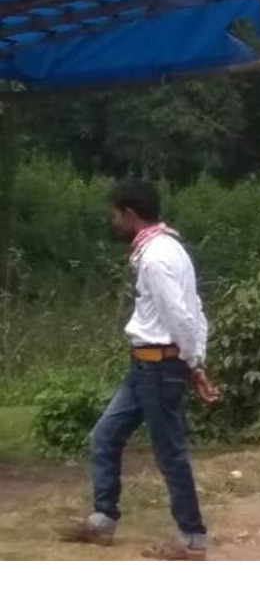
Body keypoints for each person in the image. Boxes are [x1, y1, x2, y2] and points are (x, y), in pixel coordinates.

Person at [59, 178, 218, 560]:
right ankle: (103, 520)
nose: (112, 221)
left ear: (131, 215)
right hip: (146, 367)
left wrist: (193, 362)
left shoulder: (157, 258)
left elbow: (180, 315)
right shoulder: (167, 248)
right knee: (105, 435)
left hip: (159, 368)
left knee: (169, 452)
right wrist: (195, 361)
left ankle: (192, 538)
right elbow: (194, 309)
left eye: (115, 214)